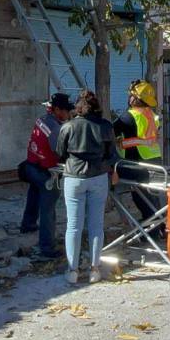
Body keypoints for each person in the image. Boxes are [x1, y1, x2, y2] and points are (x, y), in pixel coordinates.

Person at [55, 90, 116, 284]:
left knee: (73, 226)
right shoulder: (106, 126)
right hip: (98, 176)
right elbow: (111, 154)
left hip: (73, 178)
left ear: (78, 108)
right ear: (97, 107)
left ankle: (72, 271)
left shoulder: (68, 127)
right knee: (96, 225)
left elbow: (60, 154)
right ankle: (94, 270)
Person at [18, 93, 74, 259]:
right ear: (57, 109)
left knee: (34, 193)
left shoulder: (42, 119)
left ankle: (27, 225)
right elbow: (61, 151)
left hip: (31, 165)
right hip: (45, 171)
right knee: (48, 209)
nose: (68, 114)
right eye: (66, 111)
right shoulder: (55, 128)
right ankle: (47, 248)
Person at [113, 80, 162, 223]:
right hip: (155, 162)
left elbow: (110, 131)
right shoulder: (152, 115)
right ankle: (158, 227)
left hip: (137, 164)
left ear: (135, 98)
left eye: (130, 95)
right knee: (151, 196)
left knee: (141, 197)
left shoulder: (128, 116)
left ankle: (150, 229)